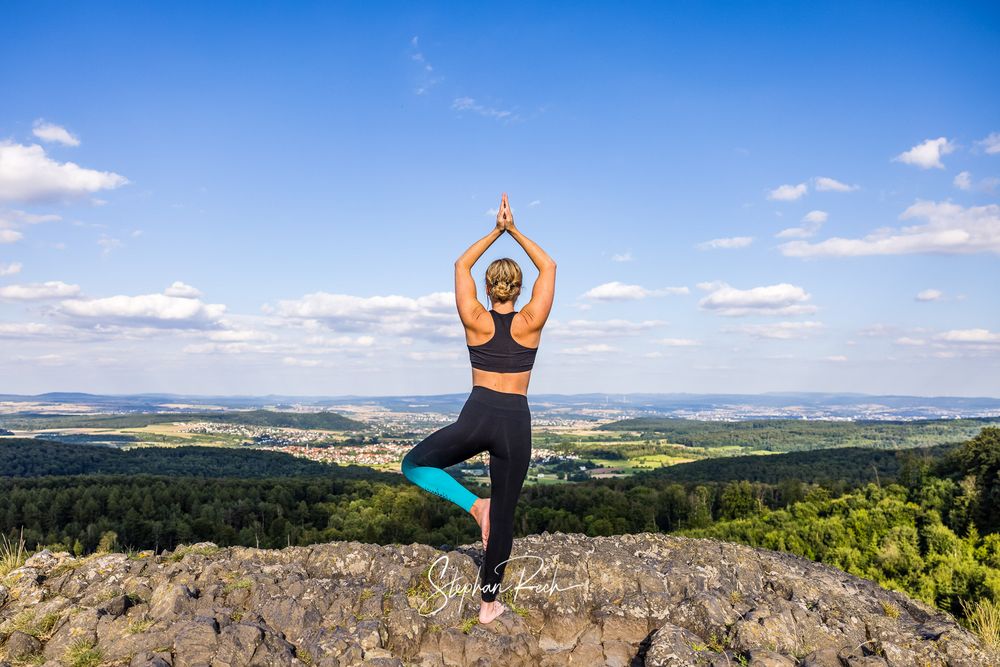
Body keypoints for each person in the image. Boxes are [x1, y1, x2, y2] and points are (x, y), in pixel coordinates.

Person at [400, 192, 556, 624]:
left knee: (413, 465)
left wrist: (494, 231)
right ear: (519, 289)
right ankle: (489, 606)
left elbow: (460, 266)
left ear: (488, 289)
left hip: (477, 415)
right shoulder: (531, 322)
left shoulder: (475, 318)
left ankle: (473, 506)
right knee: (504, 518)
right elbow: (550, 266)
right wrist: (514, 230)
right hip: (514, 424)